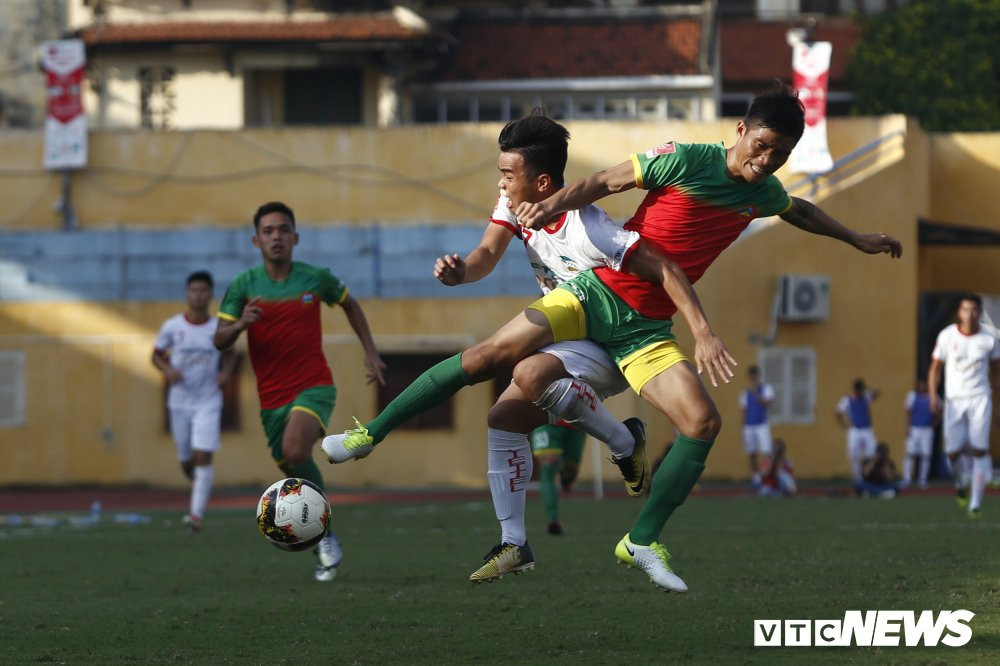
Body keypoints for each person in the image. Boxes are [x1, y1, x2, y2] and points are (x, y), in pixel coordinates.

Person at [328, 84, 902, 592]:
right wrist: (550, 206)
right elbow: (604, 181)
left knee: (702, 422)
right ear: (740, 130)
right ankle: (370, 434)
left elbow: (797, 209)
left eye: (781, 154)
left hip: (645, 329)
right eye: (763, 145)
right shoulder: (685, 159)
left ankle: (641, 540)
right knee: (490, 360)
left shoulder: (762, 192)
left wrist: (855, 238)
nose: (767, 160)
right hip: (596, 293)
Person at [214, 201, 386, 581]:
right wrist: (241, 324)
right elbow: (219, 339)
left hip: (314, 385)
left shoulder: (315, 279)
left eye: (283, 230)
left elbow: (350, 304)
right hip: (271, 398)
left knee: (295, 450)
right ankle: (324, 530)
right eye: (268, 231)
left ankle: (323, 531)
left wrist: (371, 352)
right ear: (256, 240)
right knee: (289, 463)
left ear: (295, 237)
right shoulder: (243, 285)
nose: (276, 237)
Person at [152, 271, 237, 531]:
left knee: (204, 455)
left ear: (210, 294)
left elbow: (231, 353)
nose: (198, 295)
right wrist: (168, 370)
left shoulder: (218, 328)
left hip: (208, 400)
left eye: (203, 290)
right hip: (179, 402)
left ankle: (196, 516)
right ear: (187, 293)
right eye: (194, 290)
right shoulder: (172, 326)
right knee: (187, 460)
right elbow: (155, 355)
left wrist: (226, 374)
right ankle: (196, 475)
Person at [928, 293, 1000, 517]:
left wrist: (998, 404)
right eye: (966, 309)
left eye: (974, 309)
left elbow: (997, 373)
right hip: (954, 400)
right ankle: (960, 482)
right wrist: (933, 396)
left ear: (980, 312)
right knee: (952, 454)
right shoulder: (947, 336)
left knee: (979, 450)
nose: (970, 314)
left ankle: (975, 503)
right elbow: (935, 368)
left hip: (980, 398)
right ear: (959, 312)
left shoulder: (989, 338)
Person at [529, 422, 586, 536]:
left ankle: (566, 478)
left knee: (570, 472)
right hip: (546, 423)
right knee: (549, 465)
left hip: (575, 424)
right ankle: (553, 519)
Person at [836, 379, 880, 484]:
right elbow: (837, 412)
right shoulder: (847, 400)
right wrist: (845, 425)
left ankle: (869, 476)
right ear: (855, 390)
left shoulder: (866, 397)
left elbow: (877, 393)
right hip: (854, 430)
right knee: (853, 455)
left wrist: (867, 388)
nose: (861, 393)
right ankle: (857, 479)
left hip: (867, 429)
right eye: (860, 390)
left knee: (872, 452)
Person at [739, 365, 775, 487]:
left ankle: (766, 475)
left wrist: (756, 392)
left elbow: (768, 402)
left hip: (762, 425)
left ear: (758, 376)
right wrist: (742, 430)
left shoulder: (766, 389)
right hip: (749, 426)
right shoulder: (745, 394)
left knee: (766, 452)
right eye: (751, 377)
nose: (753, 379)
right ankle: (756, 477)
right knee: (752, 453)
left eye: (755, 376)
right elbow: (744, 412)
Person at [902, 378, 935, 489]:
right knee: (909, 454)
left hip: (927, 429)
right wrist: (907, 427)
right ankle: (906, 479)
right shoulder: (912, 396)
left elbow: (939, 411)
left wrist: (933, 423)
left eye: (924, 384)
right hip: (914, 428)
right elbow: (908, 412)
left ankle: (922, 479)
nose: (922, 387)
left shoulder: (933, 397)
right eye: (921, 384)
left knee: (926, 455)